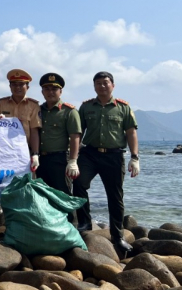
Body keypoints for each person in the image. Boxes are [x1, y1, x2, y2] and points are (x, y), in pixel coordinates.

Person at [73, 71, 139, 254]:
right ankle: (85, 223)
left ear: (113, 85)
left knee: (115, 196)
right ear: (94, 86)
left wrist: (135, 157)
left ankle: (117, 236)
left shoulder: (123, 107)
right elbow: (78, 132)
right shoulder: (86, 107)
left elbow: (131, 132)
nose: (102, 86)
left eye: (105, 83)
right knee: (78, 183)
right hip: (90, 154)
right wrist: (73, 158)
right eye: (98, 83)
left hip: (114, 156)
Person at [37, 73, 82, 195]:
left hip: (60, 160)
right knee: (43, 197)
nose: (50, 92)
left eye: (54, 89)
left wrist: (73, 161)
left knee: (63, 197)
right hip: (41, 160)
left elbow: (75, 137)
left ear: (60, 91)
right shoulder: (37, 110)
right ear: (42, 92)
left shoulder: (69, 112)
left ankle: (71, 216)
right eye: (47, 89)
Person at [0, 69, 41, 173]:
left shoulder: (33, 106)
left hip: (25, 151)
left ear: (27, 87)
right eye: (14, 84)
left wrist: (35, 154)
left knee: (25, 182)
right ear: (10, 87)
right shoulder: (1, 104)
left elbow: (34, 131)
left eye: (21, 84)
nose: (17, 87)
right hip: (3, 151)